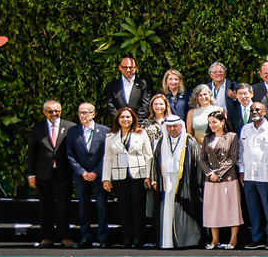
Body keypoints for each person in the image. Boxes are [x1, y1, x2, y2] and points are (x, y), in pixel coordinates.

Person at [103, 106, 153, 248]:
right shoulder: (110, 135)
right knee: (124, 208)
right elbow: (107, 157)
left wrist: (148, 176)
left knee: (138, 207)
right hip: (119, 175)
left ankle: (138, 238)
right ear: (117, 119)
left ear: (133, 119)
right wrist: (106, 178)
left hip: (138, 174)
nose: (125, 119)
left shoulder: (141, 133)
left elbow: (148, 156)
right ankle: (127, 238)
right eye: (122, 117)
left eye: (128, 117)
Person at [148, 115, 201, 249]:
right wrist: (155, 179)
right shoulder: (162, 142)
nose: (172, 129)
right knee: (166, 210)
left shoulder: (189, 141)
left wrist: (197, 183)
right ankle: (167, 241)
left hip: (185, 182)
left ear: (181, 126)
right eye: (169, 127)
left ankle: (186, 240)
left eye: (175, 126)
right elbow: (155, 161)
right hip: (166, 180)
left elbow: (197, 164)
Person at [28, 99, 73, 248]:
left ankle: (64, 237)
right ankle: (47, 237)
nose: (54, 114)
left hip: (63, 174)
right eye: (50, 111)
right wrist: (31, 174)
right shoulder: (37, 128)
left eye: (57, 111)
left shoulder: (70, 127)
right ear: (44, 112)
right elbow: (32, 153)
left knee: (63, 206)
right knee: (45, 206)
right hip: (43, 174)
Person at [65, 103, 109, 248]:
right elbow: (70, 154)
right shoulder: (73, 132)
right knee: (84, 208)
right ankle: (85, 237)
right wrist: (82, 172)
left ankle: (103, 238)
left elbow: (107, 155)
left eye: (86, 113)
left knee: (101, 206)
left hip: (99, 175)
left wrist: (96, 171)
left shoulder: (104, 131)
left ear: (93, 114)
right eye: (80, 113)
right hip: (81, 177)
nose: (83, 116)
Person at [196, 111, 242, 249]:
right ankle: (214, 239)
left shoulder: (232, 136)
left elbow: (232, 158)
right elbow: (202, 159)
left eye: (214, 122)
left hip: (228, 177)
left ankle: (233, 239)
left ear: (222, 122)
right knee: (212, 208)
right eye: (210, 122)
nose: (212, 125)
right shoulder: (207, 138)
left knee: (232, 207)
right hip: (211, 179)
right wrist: (210, 173)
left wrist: (219, 173)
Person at [237, 100, 268, 249]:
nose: (254, 112)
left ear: (264, 112)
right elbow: (241, 151)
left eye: (257, 110)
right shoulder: (245, 129)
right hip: (249, 175)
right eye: (252, 110)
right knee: (253, 209)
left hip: (266, 175)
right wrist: (241, 170)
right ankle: (256, 238)